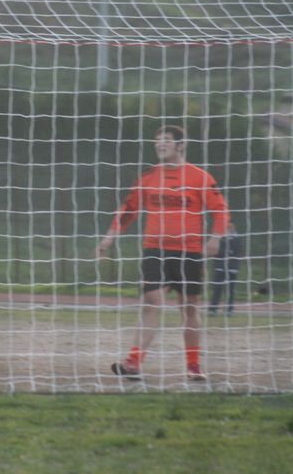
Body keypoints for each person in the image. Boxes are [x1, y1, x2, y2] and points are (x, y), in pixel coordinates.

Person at [96, 125, 229, 382]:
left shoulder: (200, 177)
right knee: (151, 301)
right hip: (155, 250)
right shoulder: (148, 177)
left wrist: (215, 239)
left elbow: (221, 210)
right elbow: (128, 210)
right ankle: (133, 362)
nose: (160, 144)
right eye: (157, 140)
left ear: (181, 145)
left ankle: (193, 365)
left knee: (189, 308)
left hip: (189, 252)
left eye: (166, 140)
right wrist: (109, 237)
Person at [209, 222, 244, 316]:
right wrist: (226, 251)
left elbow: (239, 251)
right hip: (220, 267)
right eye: (227, 227)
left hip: (232, 268)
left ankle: (229, 310)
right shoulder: (220, 237)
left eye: (231, 227)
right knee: (217, 289)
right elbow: (216, 251)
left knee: (230, 290)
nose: (229, 228)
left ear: (234, 227)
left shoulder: (238, 238)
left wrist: (229, 252)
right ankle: (212, 310)